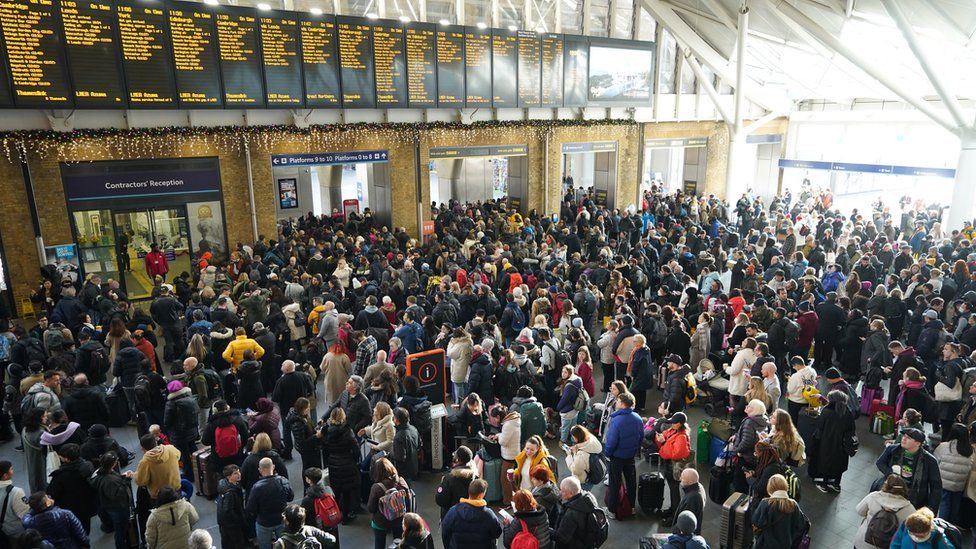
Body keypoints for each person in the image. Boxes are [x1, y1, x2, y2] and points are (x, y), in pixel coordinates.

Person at [875, 428, 943, 511]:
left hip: (915, 498)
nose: (904, 438)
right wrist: (890, 473)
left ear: (918, 443)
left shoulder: (929, 460)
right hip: (892, 491)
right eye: (904, 436)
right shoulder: (893, 449)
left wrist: (931, 510)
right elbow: (880, 462)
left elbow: (936, 487)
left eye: (909, 438)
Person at [603, 391, 642, 517]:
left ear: (623, 404)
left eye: (618, 401)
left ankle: (612, 510)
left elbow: (611, 440)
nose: (616, 402)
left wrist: (607, 453)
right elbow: (640, 437)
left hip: (617, 457)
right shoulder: (637, 418)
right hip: (630, 456)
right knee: (631, 482)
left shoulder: (617, 420)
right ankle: (631, 507)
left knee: (615, 483)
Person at [319, 406, 360, 523]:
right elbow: (356, 449)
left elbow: (325, 448)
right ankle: (346, 516)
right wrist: (354, 460)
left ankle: (335, 513)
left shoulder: (326, 431)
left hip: (333, 464)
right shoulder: (347, 431)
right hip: (347, 463)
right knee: (347, 492)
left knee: (336, 491)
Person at [44, 444, 96, 534]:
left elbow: (52, 493)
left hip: (70, 508)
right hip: (87, 504)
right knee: (85, 528)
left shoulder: (61, 476)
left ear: (67, 459)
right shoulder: (88, 466)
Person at [854, 474, 916, 549]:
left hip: (863, 542)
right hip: (888, 545)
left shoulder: (873, 496)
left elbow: (859, 511)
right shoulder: (909, 508)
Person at [246, 457, 294, 549]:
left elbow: (250, 508)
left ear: (260, 470)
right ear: (273, 467)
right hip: (281, 519)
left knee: (264, 546)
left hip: (264, 522)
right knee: (285, 544)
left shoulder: (256, 487)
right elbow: (290, 498)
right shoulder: (283, 481)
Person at [441, 479, 503, 549]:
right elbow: (497, 533)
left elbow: (445, 532)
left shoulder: (453, 511)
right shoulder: (488, 514)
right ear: (481, 495)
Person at [750, 474, 808, 549]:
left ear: (770, 487)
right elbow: (801, 525)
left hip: (765, 544)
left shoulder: (765, 503)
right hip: (786, 545)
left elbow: (756, 522)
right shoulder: (793, 504)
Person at [366, 457, 411, 549]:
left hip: (381, 521)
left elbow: (371, 508)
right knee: (399, 542)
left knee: (379, 543)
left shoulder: (376, 487)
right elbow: (408, 499)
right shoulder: (401, 481)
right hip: (399, 518)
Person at [933, 422, 973, 524]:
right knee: (955, 504)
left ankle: (942, 524)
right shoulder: (969, 450)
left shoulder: (944, 446)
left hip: (944, 483)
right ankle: (952, 524)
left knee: (944, 504)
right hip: (960, 484)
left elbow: (935, 460)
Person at [21, 491, 89, 549]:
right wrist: (85, 544)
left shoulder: (31, 522)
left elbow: (25, 518)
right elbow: (80, 533)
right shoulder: (66, 514)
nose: (50, 497)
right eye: (48, 497)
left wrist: (34, 507)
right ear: (47, 503)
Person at [729, 399, 769, 493]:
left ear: (754, 410)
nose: (746, 406)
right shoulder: (764, 420)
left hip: (745, 457)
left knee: (739, 482)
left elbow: (747, 441)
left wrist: (736, 451)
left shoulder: (749, 422)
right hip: (756, 458)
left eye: (749, 406)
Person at [162, 380, 200, 480]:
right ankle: (200, 469)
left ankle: (190, 475)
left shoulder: (171, 404)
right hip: (192, 431)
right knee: (193, 450)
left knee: (184, 455)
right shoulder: (190, 397)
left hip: (179, 434)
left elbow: (167, 422)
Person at [552, 476, 599, 549]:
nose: (560, 492)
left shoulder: (571, 514)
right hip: (586, 541)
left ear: (570, 493)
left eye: (562, 490)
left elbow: (562, 537)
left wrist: (547, 530)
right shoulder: (589, 498)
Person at [435, 446, 476, 519]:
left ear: (458, 459)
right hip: (469, 514)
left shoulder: (449, 478)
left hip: (451, 516)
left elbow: (440, 500)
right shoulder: (474, 476)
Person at [216, 464, 249, 548]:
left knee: (227, 542)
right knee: (238, 543)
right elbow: (228, 510)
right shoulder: (230, 492)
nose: (239, 475)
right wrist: (239, 519)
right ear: (228, 476)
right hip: (232, 524)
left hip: (224, 523)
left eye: (238, 472)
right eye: (235, 473)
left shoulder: (225, 485)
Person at [889, 507, 954, 549]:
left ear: (930, 528)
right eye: (914, 534)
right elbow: (895, 544)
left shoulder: (938, 537)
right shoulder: (905, 527)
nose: (917, 538)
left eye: (921, 536)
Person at [287, 397, 322, 472]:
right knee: (308, 469)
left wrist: (317, 428)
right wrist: (316, 436)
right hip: (307, 450)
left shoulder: (303, 416)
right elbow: (302, 442)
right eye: (307, 407)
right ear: (302, 408)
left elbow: (309, 430)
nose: (309, 409)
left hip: (311, 447)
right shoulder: (297, 423)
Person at [0, 460, 30, 543]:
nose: (13, 471)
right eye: (11, 469)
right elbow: (25, 515)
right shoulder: (16, 492)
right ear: (5, 475)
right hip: (14, 533)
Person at [565, 425, 603, 489]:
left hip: (584, 480)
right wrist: (576, 448)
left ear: (576, 437)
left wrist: (569, 455)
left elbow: (575, 470)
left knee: (582, 494)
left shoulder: (581, 455)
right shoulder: (592, 439)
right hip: (593, 472)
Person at [555, 365, 584, 443]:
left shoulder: (569, 386)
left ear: (570, 373)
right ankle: (573, 440)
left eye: (565, 372)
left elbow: (564, 399)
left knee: (565, 427)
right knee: (573, 426)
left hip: (567, 411)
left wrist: (558, 408)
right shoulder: (578, 379)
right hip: (576, 407)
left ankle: (563, 441)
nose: (563, 374)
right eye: (562, 372)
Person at [672, 468, 704, 535]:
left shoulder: (692, 499)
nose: (680, 478)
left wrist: (675, 532)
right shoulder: (697, 489)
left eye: (683, 478)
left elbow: (686, 523)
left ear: (690, 482)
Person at [392, 407, 420, 481]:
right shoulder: (414, 428)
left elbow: (400, 457)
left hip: (404, 471)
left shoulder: (398, 437)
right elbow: (419, 445)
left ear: (396, 420)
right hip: (414, 466)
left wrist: (389, 455)